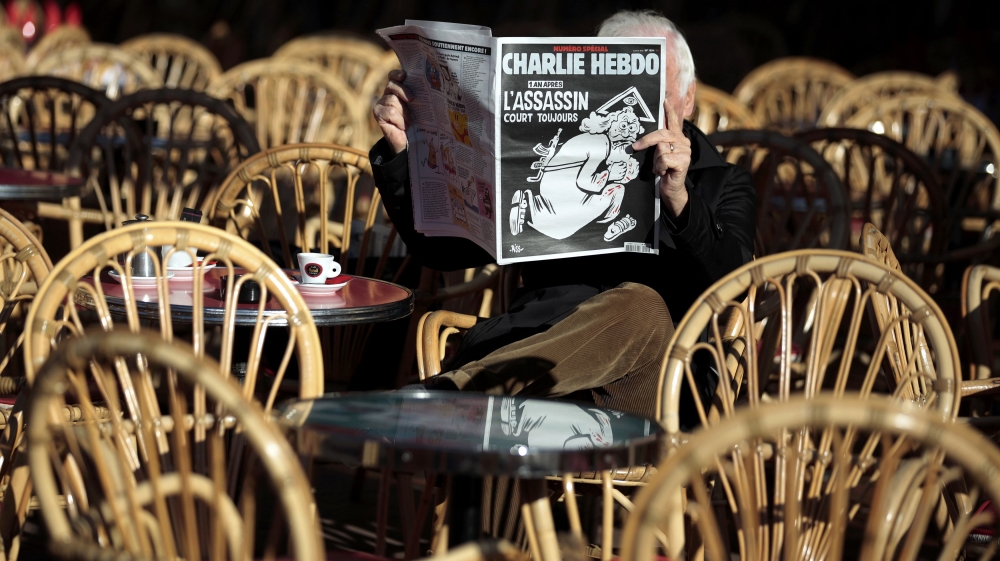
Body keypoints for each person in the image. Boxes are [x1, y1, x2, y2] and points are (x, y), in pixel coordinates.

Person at [370, 10, 756, 421]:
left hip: (654, 381)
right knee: (507, 417)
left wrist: (680, 197)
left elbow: (732, 284)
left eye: (651, 89)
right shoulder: (571, 150)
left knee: (640, 306)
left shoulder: (721, 181)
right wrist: (402, 153)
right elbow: (442, 253)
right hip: (538, 352)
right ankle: (471, 403)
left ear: (688, 98)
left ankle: (458, 392)